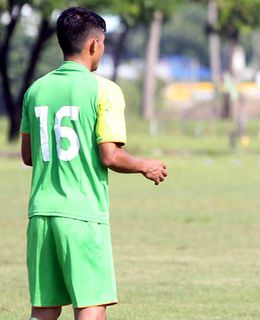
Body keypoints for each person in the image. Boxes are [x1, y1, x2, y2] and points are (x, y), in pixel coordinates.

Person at [20, 7, 168, 320]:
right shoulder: (104, 90)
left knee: (44, 309)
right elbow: (110, 155)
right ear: (93, 46)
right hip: (82, 214)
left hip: (41, 213)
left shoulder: (36, 90)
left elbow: (28, 155)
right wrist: (145, 165)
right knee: (90, 305)